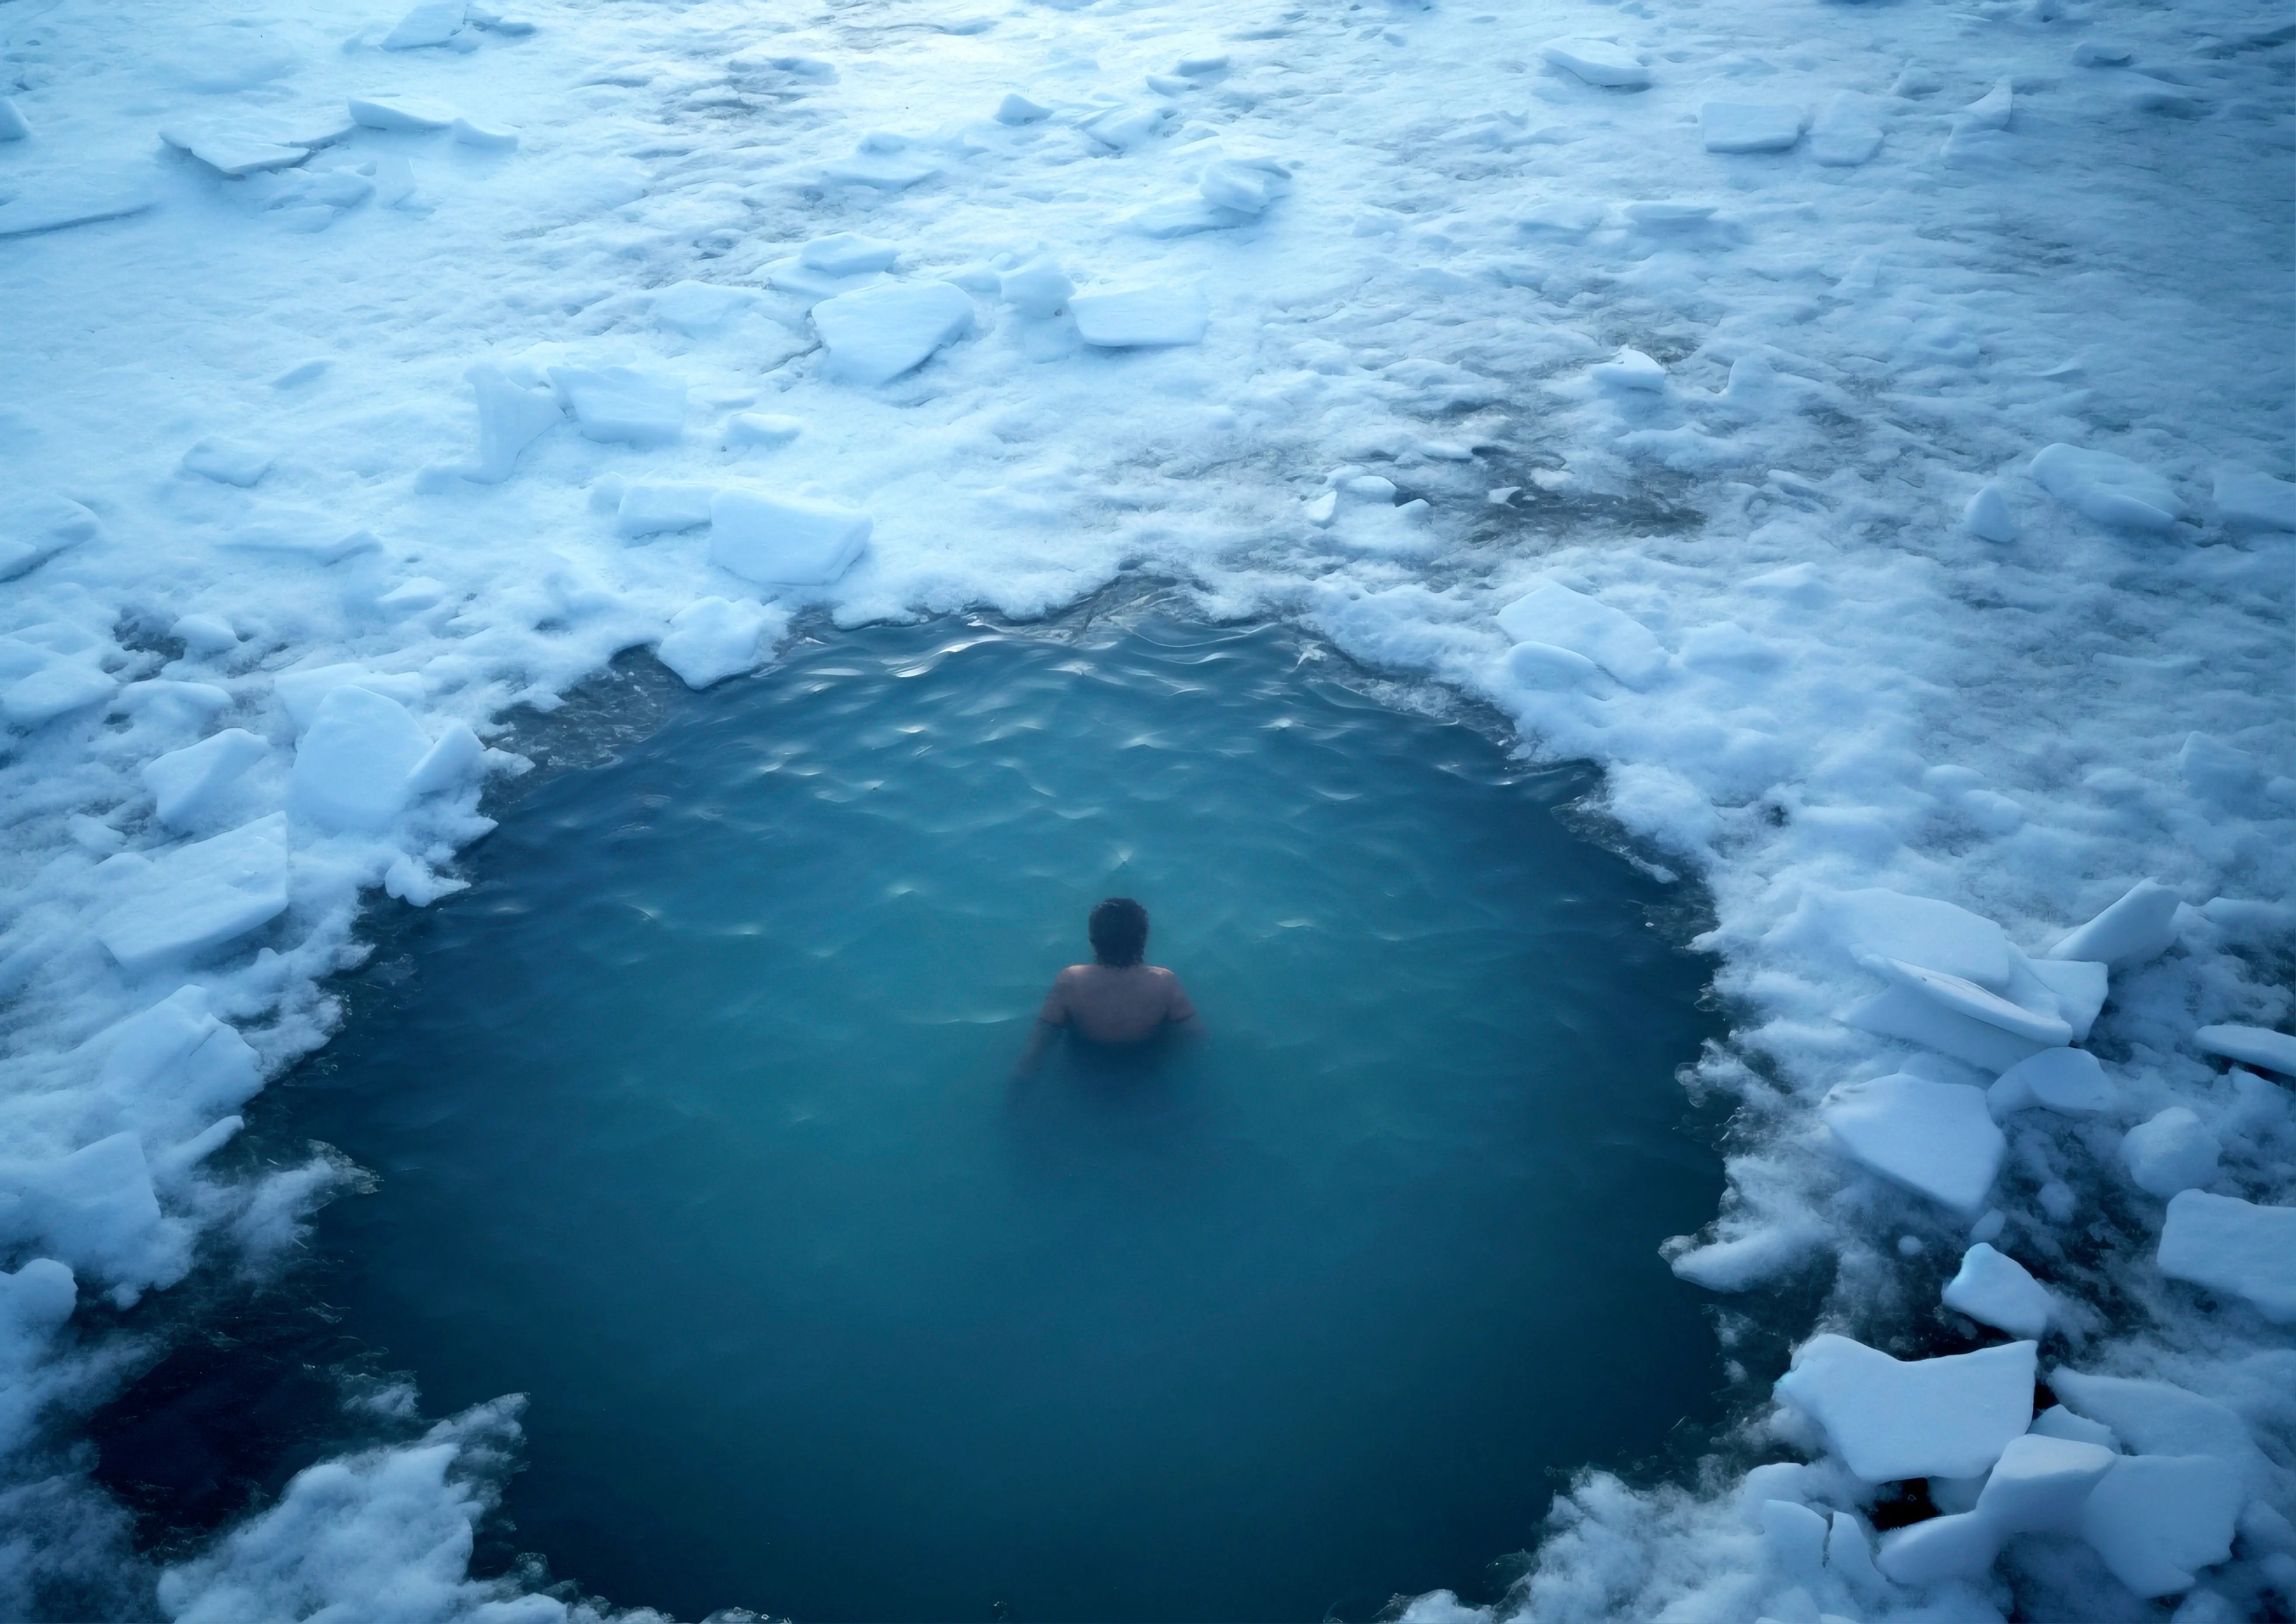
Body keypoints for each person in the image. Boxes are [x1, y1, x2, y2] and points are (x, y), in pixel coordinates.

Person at [1012, 897, 1200, 1078]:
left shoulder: (1070, 981)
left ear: (1093, 940)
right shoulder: (1164, 982)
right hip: (1146, 1064)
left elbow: (1035, 1052)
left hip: (1085, 1067)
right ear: (1143, 939)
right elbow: (1196, 1037)